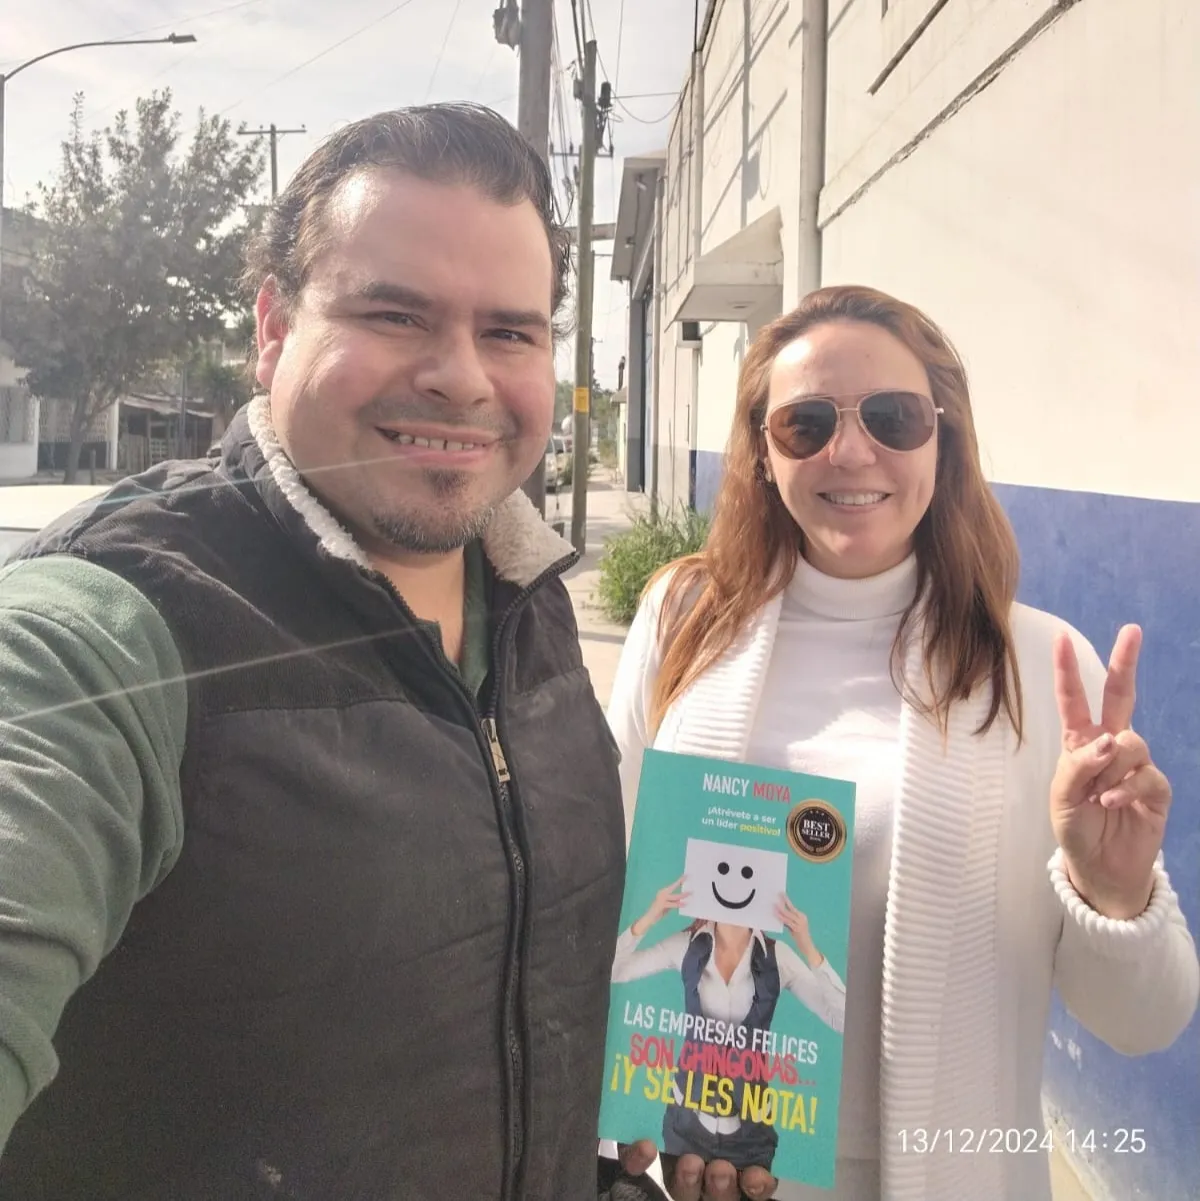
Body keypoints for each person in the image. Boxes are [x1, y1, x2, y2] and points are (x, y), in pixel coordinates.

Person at [0, 104, 627, 1200]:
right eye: (395, 313)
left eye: (510, 333)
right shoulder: (113, 627)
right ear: (273, 328)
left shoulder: (529, 601)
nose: (462, 377)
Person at [605, 285, 1199, 1201]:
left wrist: (1114, 893)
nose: (851, 451)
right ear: (762, 451)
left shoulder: (1039, 671)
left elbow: (1144, 1022)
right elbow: (613, 889)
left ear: (942, 439)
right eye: (806, 423)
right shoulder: (684, 621)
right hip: (715, 1162)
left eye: (893, 417)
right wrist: (640, 1118)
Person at [611, 877, 846, 1173]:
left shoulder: (778, 957)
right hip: (685, 1125)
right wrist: (649, 917)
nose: (734, 886)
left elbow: (840, 1018)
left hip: (751, 1133)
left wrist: (808, 947)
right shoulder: (686, 945)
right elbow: (614, 970)